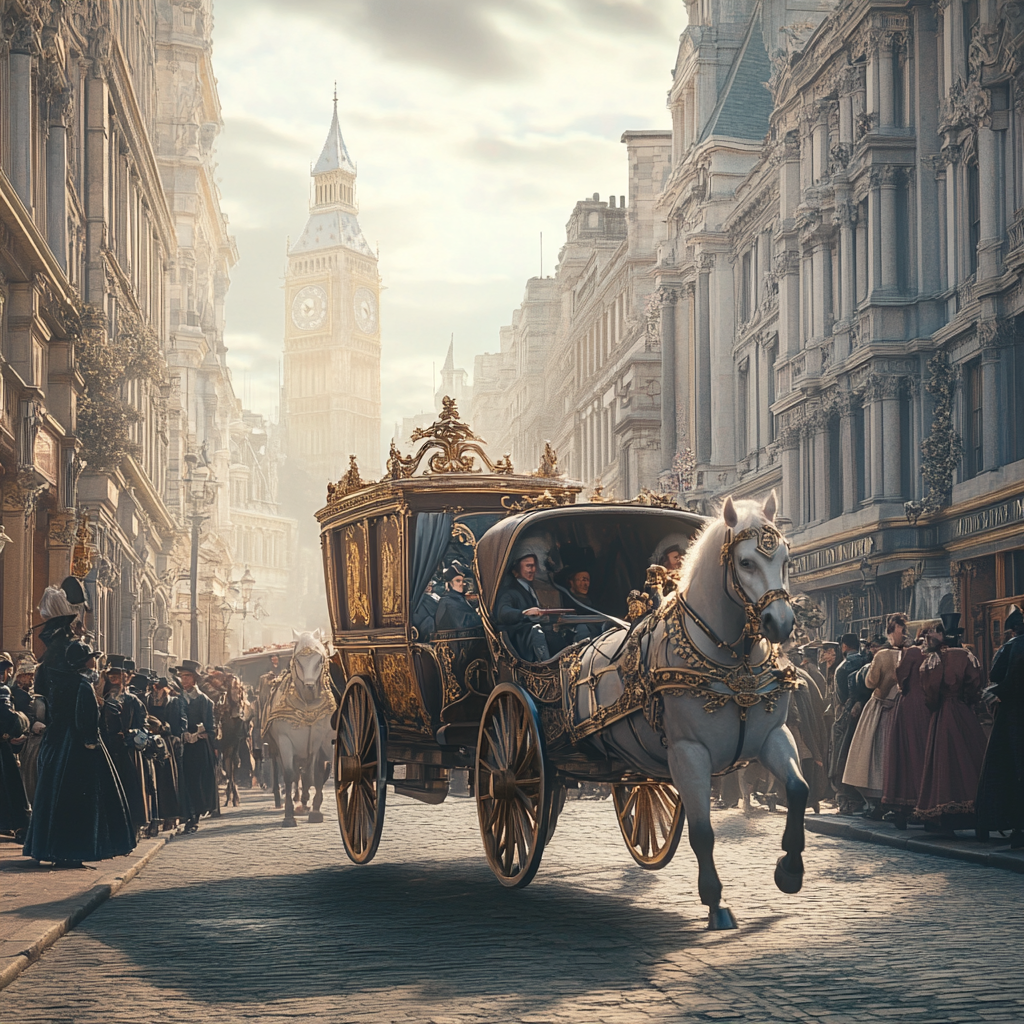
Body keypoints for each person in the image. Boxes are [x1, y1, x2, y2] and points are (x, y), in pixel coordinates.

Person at [23, 635, 135, 867]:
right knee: (81, 801)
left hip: (56, 745)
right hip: (78, 750)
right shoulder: (82, 685)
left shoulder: (60, 683)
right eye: (91, 659)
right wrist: (90, 742)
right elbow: (85, 719)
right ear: (84, 662)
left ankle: (53, 850)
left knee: (54, 795)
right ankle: (75, 851)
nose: (94, 663)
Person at [914, 620, 988, 834]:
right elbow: (975, 685)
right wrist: (968, 703)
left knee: (943, 761)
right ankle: (977, 812)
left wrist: (935, 705)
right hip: (964, 712)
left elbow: (930, 690)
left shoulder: (936, 658)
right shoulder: (967, 655)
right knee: (971, 759)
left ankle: (944, 815)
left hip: (944, 713)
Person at [843, 618, 907, 819]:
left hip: (880, 705)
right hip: (902, 708)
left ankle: (876, 801)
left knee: (872, 754)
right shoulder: (912, 653)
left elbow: (871, 683)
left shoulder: (883, 656)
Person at [976, 606, 1024, 847]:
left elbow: (1000, 674)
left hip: (1015, 715)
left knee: (1012, 767)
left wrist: (998, 692)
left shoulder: (1014, 645)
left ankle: (1017, 826)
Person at [883, 624, 936, 828]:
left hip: (913, 705)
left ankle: (908, 807)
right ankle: (923, 807)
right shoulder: (932, 653)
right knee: (921, 753)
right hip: (926, 705)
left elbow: (901, 676)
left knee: (909, 754)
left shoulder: (914, 652)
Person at [99, 656, 149, 835]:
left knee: (130, 791)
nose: (114, 679)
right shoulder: (101, 700)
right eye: (111, 676)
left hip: (128, 753)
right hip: (106, 751)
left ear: (126, 678)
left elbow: (144, 730)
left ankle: (132, 829)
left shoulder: (133, 701)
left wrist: (132, 736)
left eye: (117, 676)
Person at [829, 633, 870, 814]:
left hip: (848, 716)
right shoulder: (867, 662)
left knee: (842, 757)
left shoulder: (842, 668)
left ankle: (847, 799)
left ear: (843, 646)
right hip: (868, 715)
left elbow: (841, 697)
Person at [177, 659, 217, 834]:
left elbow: (211, 727)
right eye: (181, 677)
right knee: (183, 782)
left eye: (187, 676)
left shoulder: (204, 700)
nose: (184, 680)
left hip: (198, 747)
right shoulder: (176, 699)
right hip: (181, 746)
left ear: (194, 679)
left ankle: (194, 817)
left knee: (196, 782)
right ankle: (186, 815)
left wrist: (199, 734)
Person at [494, 553, 551, 662]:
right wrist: (524, 613)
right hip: (520, 638)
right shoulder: (509, 591)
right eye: (528, 566)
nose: (532, 570)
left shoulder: (529, 589)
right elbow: (503, 612)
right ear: (517, 568)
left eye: (534, 566)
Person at [147, 675, 185, 831]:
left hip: (167, 744)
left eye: (160, 687)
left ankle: (170, 815)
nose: (158, 690)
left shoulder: (174, 702)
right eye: (155, 687)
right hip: (152, 742)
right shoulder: (147, 700)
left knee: (168, 780)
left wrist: (170, 731)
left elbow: (181, 723)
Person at [0, 653, 31, 842]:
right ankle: (19, 825)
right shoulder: (3, 690)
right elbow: (8, 716)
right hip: (2, 746)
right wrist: (20, 723)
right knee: (11, 786)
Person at [217, 675, 253, 808]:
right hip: (227, 739)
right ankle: (231, 786)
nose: (235, 692)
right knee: (228, 763)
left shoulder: (244, 703)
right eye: (232, 688)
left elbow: (249, 720)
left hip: (240, 739)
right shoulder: (223, 702)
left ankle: (235, 786)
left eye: (236, 688)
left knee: (239, 762)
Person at [13, 655, 45, 803]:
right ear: (20, 677)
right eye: (27, 675)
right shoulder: (17, 695)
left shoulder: (34, 694)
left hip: (39, 740)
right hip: (26, 741)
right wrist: (32, 724)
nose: (30, 679)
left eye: (32, 675)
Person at [434, 566, 481, 631]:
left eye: (462, 581)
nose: (462, 584)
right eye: (458, 581)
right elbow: (464, 623)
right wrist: (481, 617)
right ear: (449, 584)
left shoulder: (458, 598)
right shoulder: (447, 602)